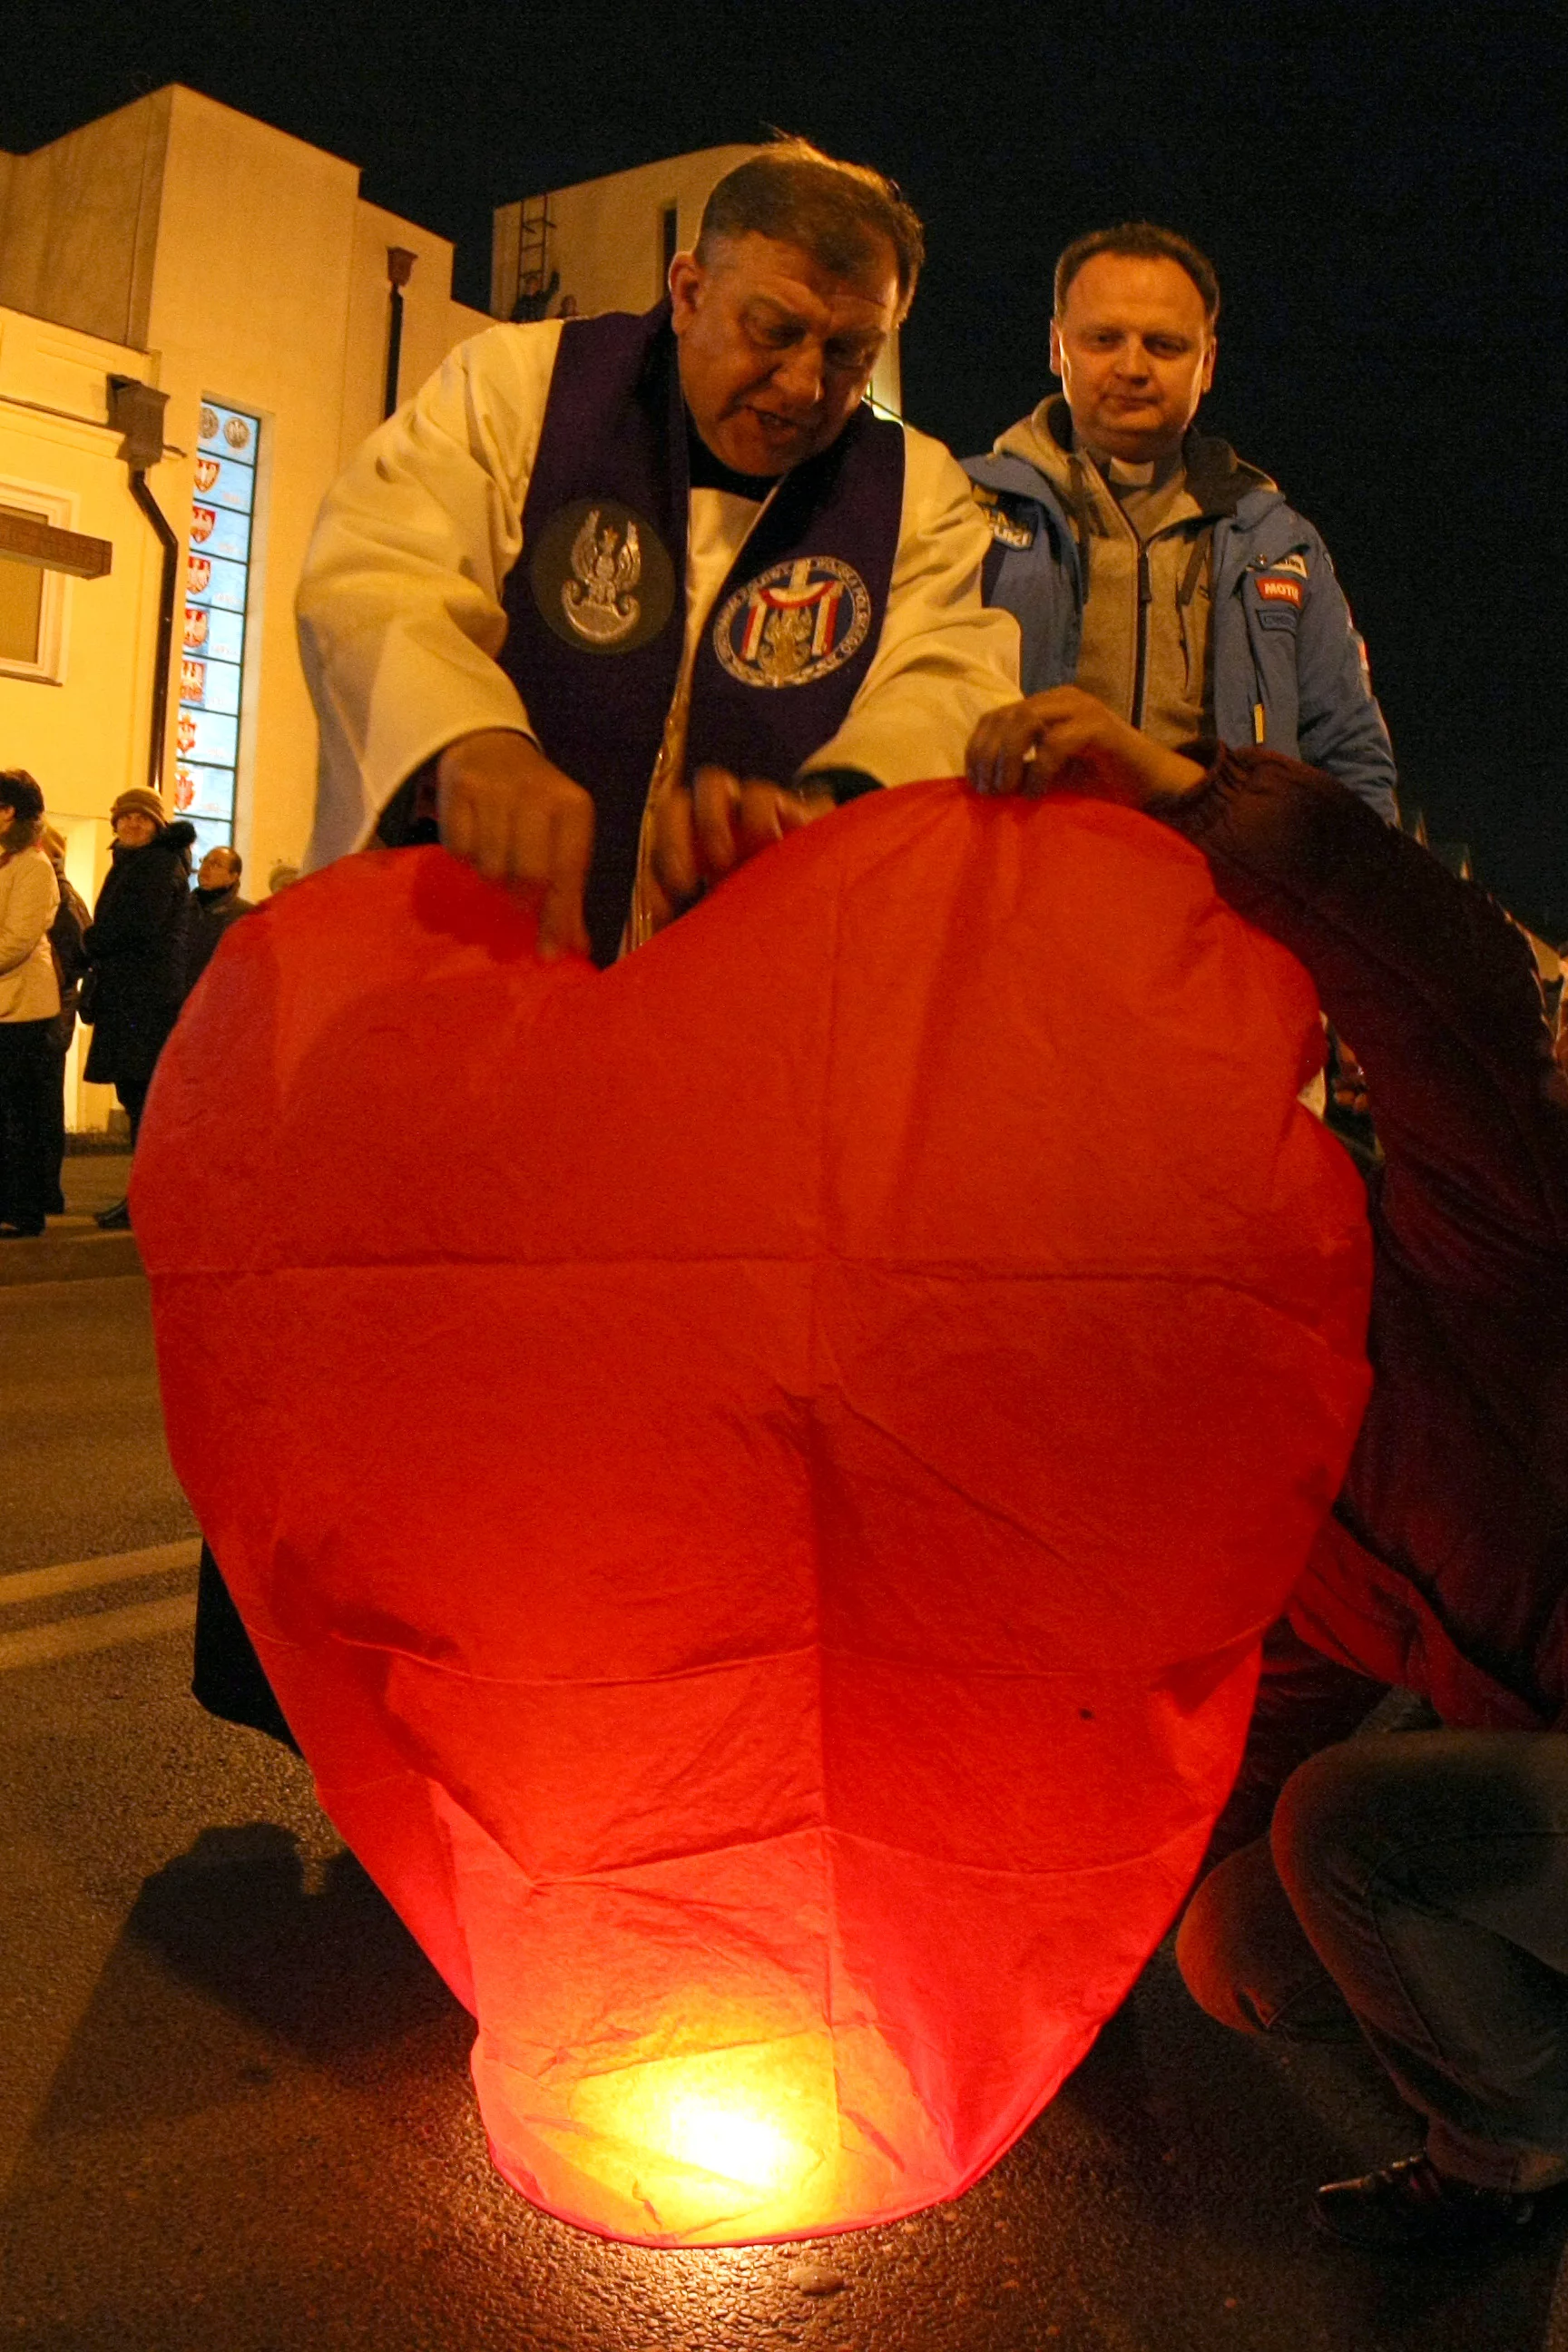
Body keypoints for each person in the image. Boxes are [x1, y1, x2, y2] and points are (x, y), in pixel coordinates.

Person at [967, 686, 1568, 2252]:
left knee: (1353, 1831)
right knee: (1236, 1940)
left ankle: (1507, 2158)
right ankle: (1529, 2073)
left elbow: (1448, 991)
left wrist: (1192, 804)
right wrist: (1045, 1954)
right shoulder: (1256, 1468)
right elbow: (1230, 1733)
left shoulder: (1468, 1247)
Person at [297, 138, 1020, 966]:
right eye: (773, 330)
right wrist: (469, 736)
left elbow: (948, 678)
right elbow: (381, 566)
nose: (803, 386)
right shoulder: (519, 388)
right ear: (687, 291)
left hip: (744, 996)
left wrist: (826, 812)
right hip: (488, 971)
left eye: (851, 351)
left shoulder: (914, 493)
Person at [964, 224, 1398, 819]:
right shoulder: (961, 508)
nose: (1132, 366)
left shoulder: (1282, 542)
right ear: (1056, 347)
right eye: (1103, 339)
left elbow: (1352, 759)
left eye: (1164, 345)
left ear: (1208, 361)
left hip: (1216, 887)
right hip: (1022, 876)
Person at [81, 789, 194, 1230]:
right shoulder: (137, 862)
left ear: (156, 825)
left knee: (144, 1100)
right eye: (124, 817)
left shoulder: (156, 864)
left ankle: (148, 1199)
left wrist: (88, 943)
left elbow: (134, 927)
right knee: (139, 1099)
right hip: (136, 996)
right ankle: (146, 1196)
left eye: (141, 818)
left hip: (142, 1000)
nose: (131, 824)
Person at [0, 770, 61, 1237]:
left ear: (8, 814)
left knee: (19, 1113)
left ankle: (24, 1210)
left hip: (21, 1008)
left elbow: (18, 940)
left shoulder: (32, 865)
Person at [40, 823, 92, 1216]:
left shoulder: (60, 896)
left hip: (48, 1010)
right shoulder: (65, 894)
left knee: (37, 1104)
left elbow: (74, 952)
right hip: (50, 1006)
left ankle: (42, 1190)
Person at [186, 843, 252, 992]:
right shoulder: (182, 908)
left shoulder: (245, 915)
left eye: (216, 864)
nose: (206, 868)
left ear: (232, 877)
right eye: (205, 861)